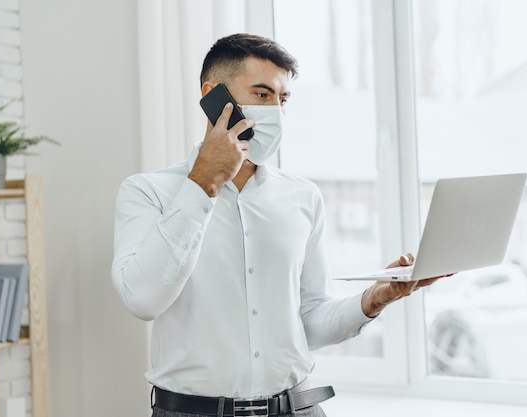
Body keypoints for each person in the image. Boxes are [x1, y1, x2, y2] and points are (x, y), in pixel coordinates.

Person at [112, 33, 442, 417]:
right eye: (262, 94)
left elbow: (311, 322)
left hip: (296, 408)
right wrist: (203, 183)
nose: (276, 112)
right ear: (213, 95)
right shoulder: (147, 192)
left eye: (283, 100)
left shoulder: (302, 197)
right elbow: (143, 299)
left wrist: (374, 299)